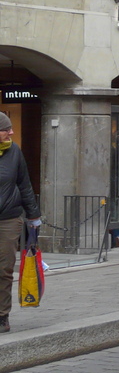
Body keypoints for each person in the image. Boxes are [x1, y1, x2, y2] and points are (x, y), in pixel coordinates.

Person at [0, 112, 41, 333]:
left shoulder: (14, 151)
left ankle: (2, 315)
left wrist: (34, 216)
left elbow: (24, 184)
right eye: (6, 129)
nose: (12, 132)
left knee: (4, 269)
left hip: (8, 218)